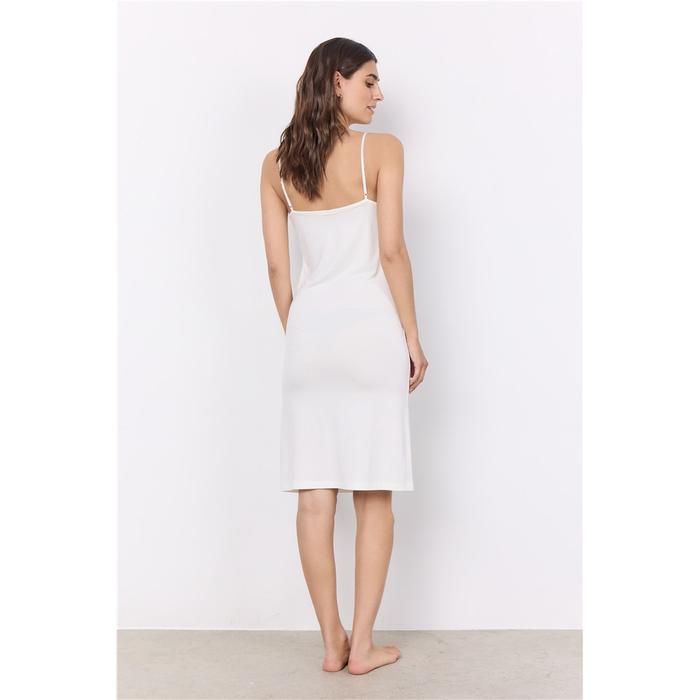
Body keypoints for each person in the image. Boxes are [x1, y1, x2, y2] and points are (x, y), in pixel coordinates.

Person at [260, 38, 428, 675]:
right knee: (374, 494)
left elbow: (279, 270)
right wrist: (412, 337)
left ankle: (331, 641)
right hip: (369, 334)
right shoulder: (381, 152)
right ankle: (362, 647)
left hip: (309, 337)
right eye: (370, 81)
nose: (379, 95)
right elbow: (391, 252)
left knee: (313, 497)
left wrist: (302, 332)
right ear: (337, 81)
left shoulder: (276, 165)